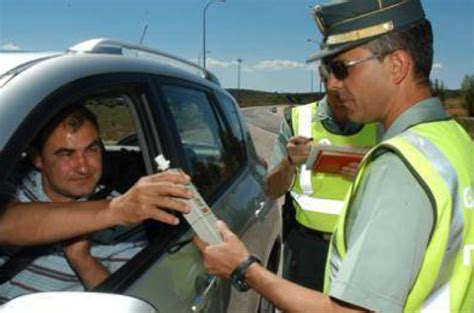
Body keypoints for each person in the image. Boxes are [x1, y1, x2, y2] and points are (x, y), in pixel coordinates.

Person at [194, 1, 474, 312]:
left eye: (342, 69)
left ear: (397, 65)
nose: (331, 84)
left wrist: (243, 267)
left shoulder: (399, 163)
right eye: (327, 72)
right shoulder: (454, 139)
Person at [0, 106, 192, 302]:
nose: (83, 167)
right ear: (37, 158)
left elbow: (127, 302)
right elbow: (5, 224)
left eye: (92, 149)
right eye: (66, 154)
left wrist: (84, 261)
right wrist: (113, 210)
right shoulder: (13, 180)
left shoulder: (126, 224)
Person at [266, 79, 378, 291]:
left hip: (362, 249)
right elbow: (271, 190)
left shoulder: (382, 122)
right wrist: (289, 162)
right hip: (306, 250)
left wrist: (373, 172)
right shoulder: (297, 119)